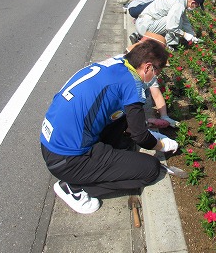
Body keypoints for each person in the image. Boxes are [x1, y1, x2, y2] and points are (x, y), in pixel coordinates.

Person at [40, 40, 178, 214]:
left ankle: (94, 167)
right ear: (148, 67)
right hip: (68, 159)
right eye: (157, 72)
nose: (156, 78)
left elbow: (128, 119)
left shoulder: (118, 63)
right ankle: (74, 188)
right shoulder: (133, 84)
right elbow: (141, 138)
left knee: (122, 123)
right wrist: (164, 144)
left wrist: (141, 129)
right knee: (151, 168)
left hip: (52, 141)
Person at [124, 32, 179, 128]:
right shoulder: (124, 72)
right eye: (157, 68)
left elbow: (156, 94)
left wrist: (164, 116)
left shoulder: (148, 73)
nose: (157, 73)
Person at [135, 0, 204, 49]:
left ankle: (138, 36)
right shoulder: (179, 4)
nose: (195, 8)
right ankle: (168, 46)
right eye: (197, 6)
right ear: (193, 3)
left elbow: (185, 21)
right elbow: (171, 27)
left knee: (176, 19)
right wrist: (185, 34)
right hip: (145, 26)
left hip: (143, 22)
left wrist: (192, 35)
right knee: (174, 22)